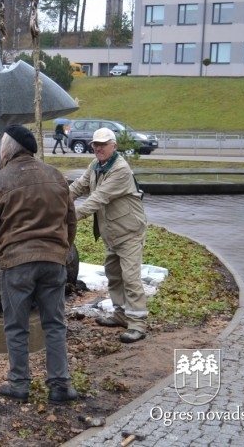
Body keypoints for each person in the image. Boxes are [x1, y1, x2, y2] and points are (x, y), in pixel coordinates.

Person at [0, 124, 78, 404]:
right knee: (54, 324)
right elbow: (71, 221)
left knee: (17, 326)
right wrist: (60, 251)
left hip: (17, 264)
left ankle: (19, 384)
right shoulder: (56, 177)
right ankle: (60, 385)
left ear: (6, 151)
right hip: (54, 261)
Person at [68, 127, 148, 344]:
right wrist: (57, 201)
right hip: (112, 232)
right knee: (113, 275)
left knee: (130, 278)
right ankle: (121, 314)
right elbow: (77, 187)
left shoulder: (120, 169)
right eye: (95, 144)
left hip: (129, 232)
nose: (98, 148)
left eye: (103, 144)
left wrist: (67, 217)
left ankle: (138, 324)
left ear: (114, 146)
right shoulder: (95, 165)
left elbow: (97, 199)